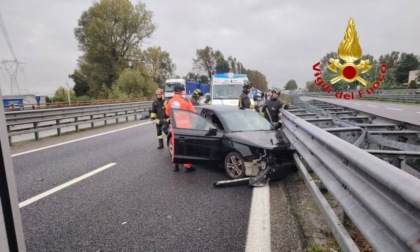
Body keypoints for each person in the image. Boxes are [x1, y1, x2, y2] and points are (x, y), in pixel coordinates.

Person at [165, 83, 196, 172]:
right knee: (186, 146)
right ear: (182, 91)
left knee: (175, 145)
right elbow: (193, 114)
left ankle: (175, 165)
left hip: (174, 127)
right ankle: (187, 166)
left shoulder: (169, 101)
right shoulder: (186, 101)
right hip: (185, 127)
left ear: (174, 91)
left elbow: (167, 113)